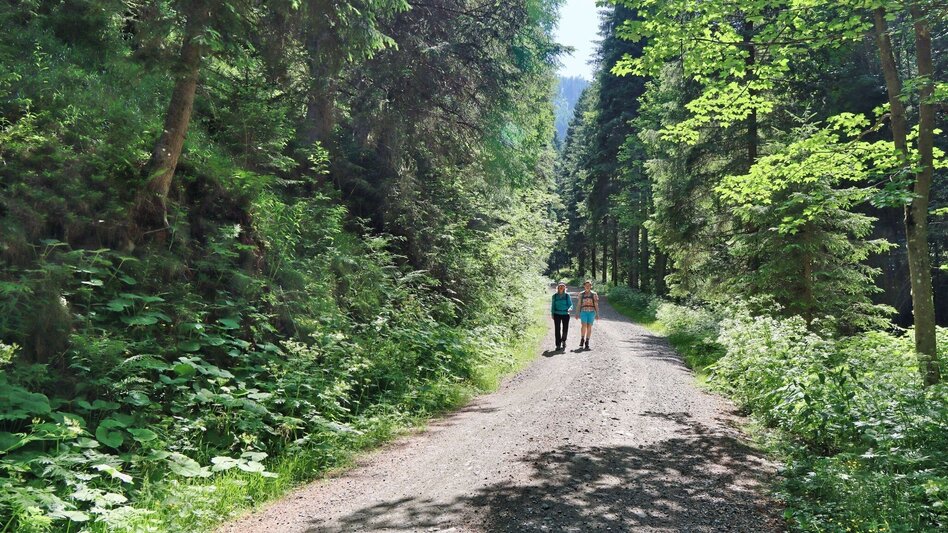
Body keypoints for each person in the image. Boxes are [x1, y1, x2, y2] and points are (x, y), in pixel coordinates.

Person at [574, 280, 599, 349]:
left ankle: (587, 341)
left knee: (589, 326)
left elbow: (596, 304)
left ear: (591, 286)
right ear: (584, 286)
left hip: (592, 312)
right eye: (586, 285)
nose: (587, 287)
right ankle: (582, 338)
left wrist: (597, 314)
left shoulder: (594, 294)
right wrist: (577, 313)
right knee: (584, 325)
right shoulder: (581, 294)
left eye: (589, 285)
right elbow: (579, 304)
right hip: (583, 311)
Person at [551, 281, 573, 350]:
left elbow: (571, 305)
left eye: (563, 286)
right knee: (557, 329)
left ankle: (563, 340)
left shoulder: (567, 295)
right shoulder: (554, 296)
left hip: (565, 314)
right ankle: (558, 344)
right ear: (557, 287)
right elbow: (553, 306)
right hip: (557, 314)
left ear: (564, 288)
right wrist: (552, 314)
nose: (561, 287)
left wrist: (570, 309)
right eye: (560, 286)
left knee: (565, 329)